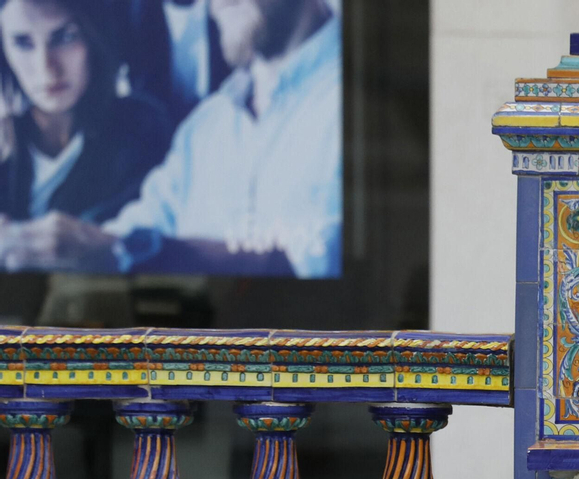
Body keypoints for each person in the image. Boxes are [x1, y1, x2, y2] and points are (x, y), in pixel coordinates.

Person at [0, 0, 339, 276]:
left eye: (64, 36)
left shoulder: (355, 108)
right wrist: (30, 247)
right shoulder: (205, 129)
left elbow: (317, 266)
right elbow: (124, 234)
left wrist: (124, 252)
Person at [0, 0, 170, 227]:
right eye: (22, 43)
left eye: (65, 37)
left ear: (94, 35)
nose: (46, 68)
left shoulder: (141, 130)